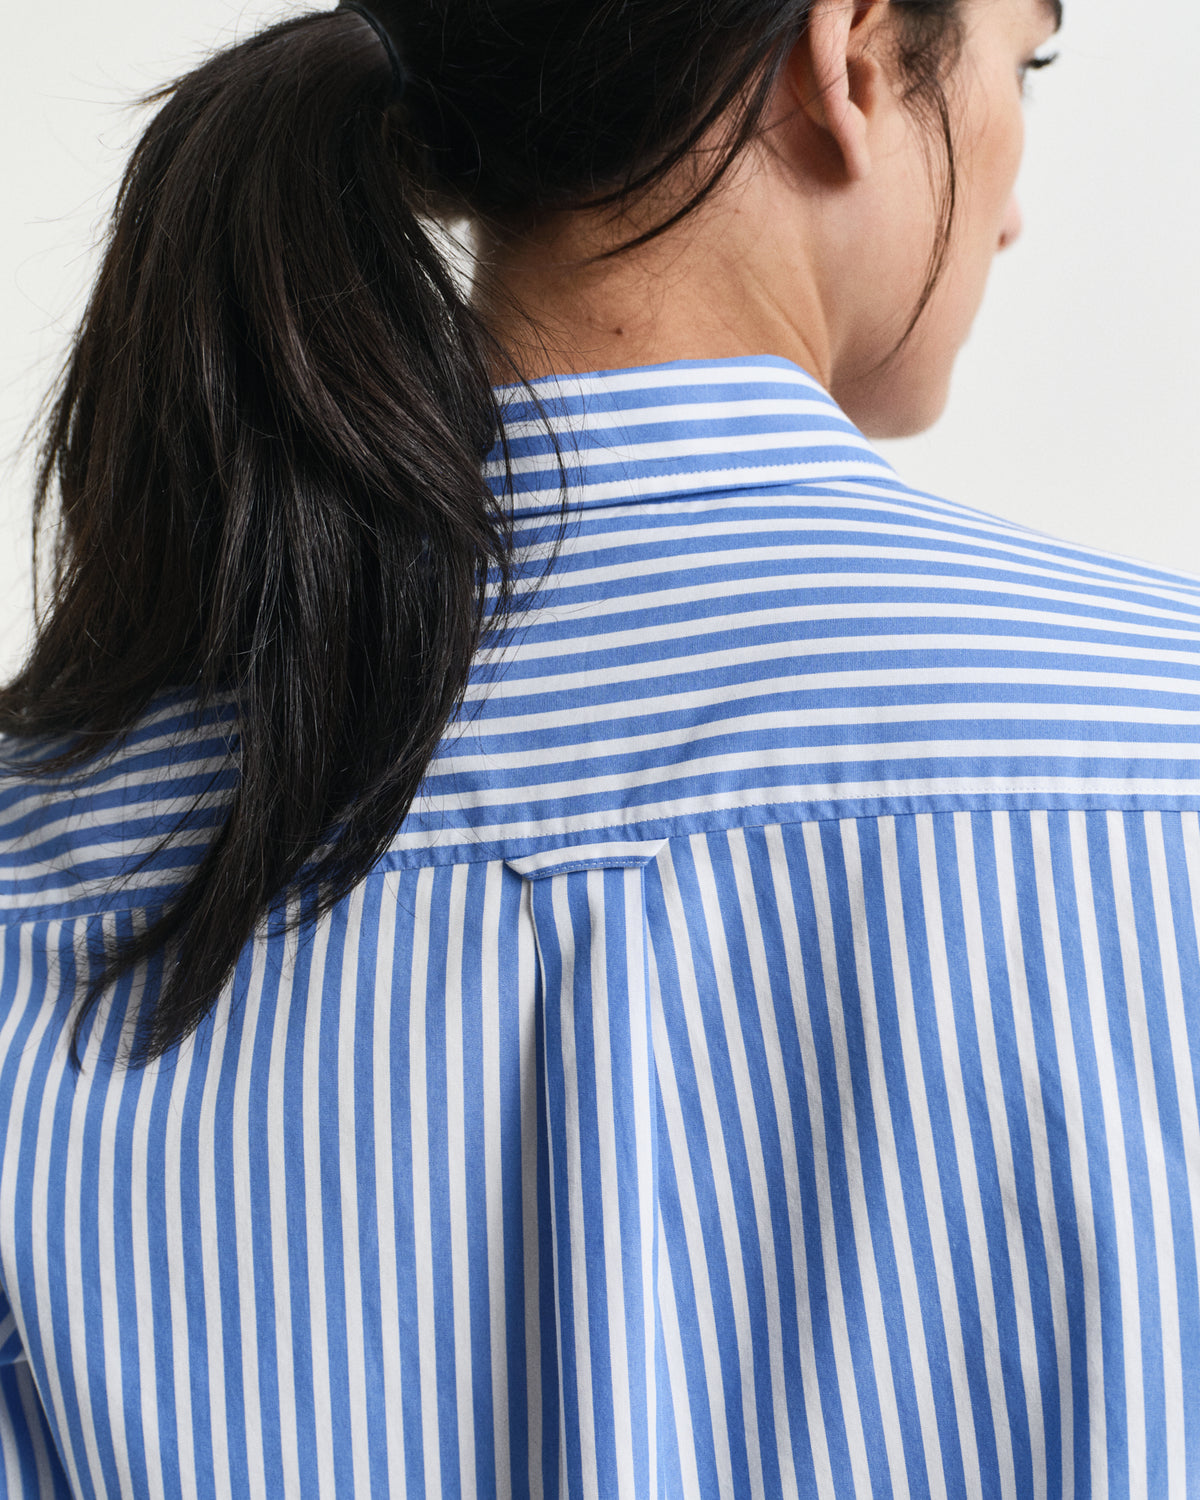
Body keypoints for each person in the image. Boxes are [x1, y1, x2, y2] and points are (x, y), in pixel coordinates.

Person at [3, 0, 1200, 1495]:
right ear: (849, 54)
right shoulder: (1168, 753)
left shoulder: (34, 868)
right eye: (1026, 66)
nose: (1012, 211)